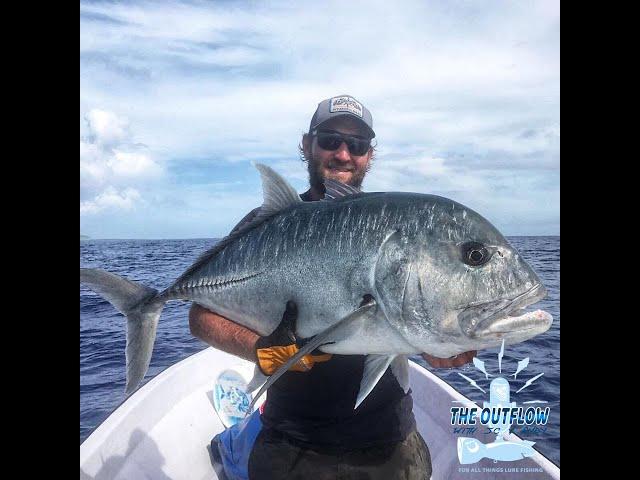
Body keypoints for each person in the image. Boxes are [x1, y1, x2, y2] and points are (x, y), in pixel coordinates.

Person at [189, 95, 476, 479]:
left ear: (369, 156)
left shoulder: (387, 225)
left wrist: (440, 343)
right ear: (307, 145)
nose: (343, 153)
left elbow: (401, 314)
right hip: (290, 443)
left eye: (356, 145)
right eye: (330, 140)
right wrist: (259, 349)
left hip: (390, 443)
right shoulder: (266, 225)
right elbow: (199, 317)